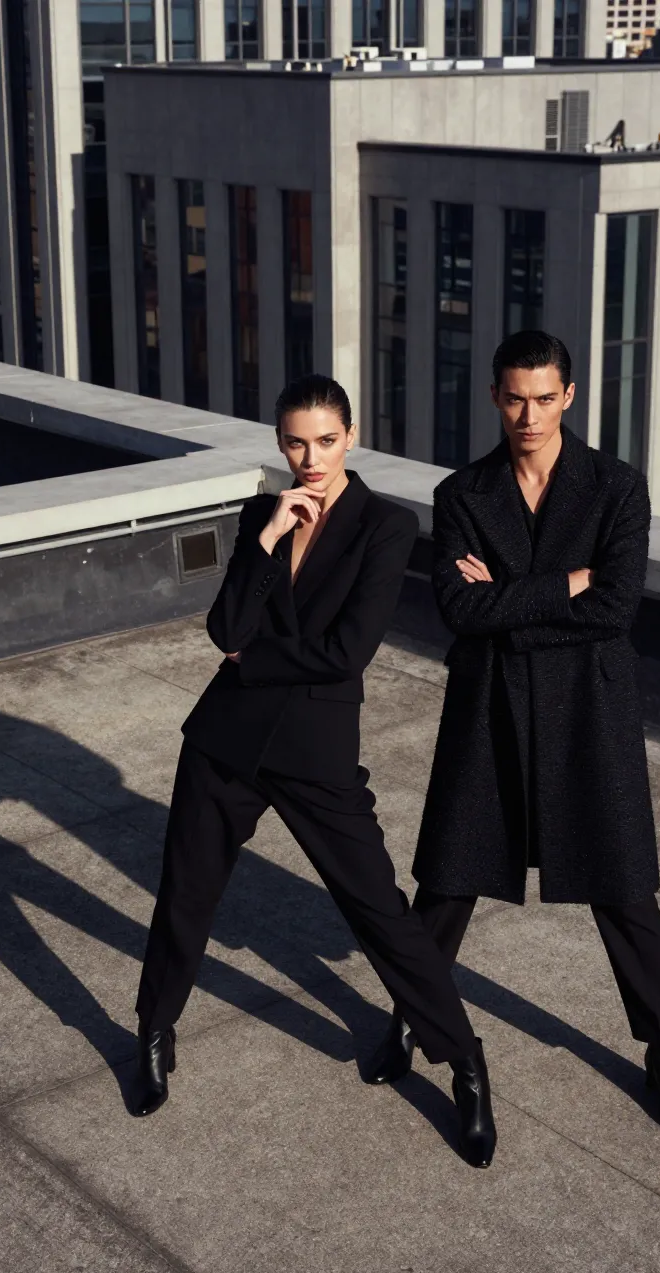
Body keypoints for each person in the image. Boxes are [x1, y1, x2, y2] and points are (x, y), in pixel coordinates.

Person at [133, 374, 497, 1166]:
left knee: (379, 911)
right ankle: (153, 1033)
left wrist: (251, 655)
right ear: (278, 441)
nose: (311, 458)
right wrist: (264, 545)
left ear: (352, 436)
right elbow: (221, 627)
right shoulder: (260, 515)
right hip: (224, 742)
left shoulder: (386, 527)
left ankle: (464, 1060)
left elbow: (345, 654)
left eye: (325, 440)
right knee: (185, 896)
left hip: (316, 753)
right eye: (295, 441)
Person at [364, 331, 660, 1142]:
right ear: (494, 397)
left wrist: (510, 600)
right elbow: (458, 611)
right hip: (488, 714)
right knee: (447, 885)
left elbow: (616, 608)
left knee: (625, 892)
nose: (529, 413)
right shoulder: (462, 496)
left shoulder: (617, 488)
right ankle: (412, 1019)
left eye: (544, 397)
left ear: (570, 397)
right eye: (515, 397)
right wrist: (561, 588)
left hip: (591, 715)